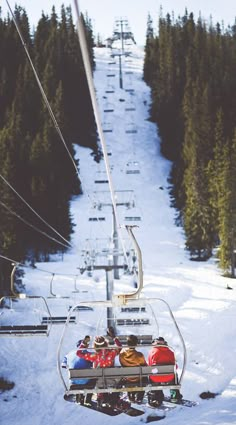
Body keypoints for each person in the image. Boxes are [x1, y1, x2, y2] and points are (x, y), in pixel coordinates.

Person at [77, 333, 128, 409]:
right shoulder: (112, 353)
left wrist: (84, 343)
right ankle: (112, 398)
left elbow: (78, 353)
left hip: (99, 381)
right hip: (111, 379)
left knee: (98, 378)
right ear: (106, 343)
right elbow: (119, 347)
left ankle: (100, 395)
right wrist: (114, 337)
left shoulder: (94, 356)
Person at [147, 336, 183, 407]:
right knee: (174, 375)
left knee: (151, 374)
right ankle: (174, 396)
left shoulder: (152, 351)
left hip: (156, 378)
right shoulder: (170, 352)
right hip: (169, 377)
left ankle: (156, 396)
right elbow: (175, 367)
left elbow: (150, 365)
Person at [62, 335, 95, 406]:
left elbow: (63, 365)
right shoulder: (87, 354)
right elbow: (93, 364)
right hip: (85, 381)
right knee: (93, 377)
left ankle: (79, 397)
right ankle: (88, 399)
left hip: (73, 381)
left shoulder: (68, 354)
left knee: (76, 375)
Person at [119, 334, 147, 404]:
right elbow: (144, 366)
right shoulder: (139, 355)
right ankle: (139, 397)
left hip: (127, 378)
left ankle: (130, 395)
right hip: (138, 378)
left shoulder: (122, 354)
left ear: (127, 344)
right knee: (144, 377)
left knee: (127, 374)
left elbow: (122, 364)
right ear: (136, 344)